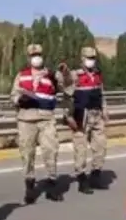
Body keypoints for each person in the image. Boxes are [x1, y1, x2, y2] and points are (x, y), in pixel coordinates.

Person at [11, 44, 62, 204]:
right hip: (26, 119)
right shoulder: (22, 75)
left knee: (51, 150)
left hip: (46, 119)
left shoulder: (51, 75)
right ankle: (30, 186)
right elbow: (13, 95)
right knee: (27, 153)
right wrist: (20, 100)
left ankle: (52, 185)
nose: (36, 58)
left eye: (38, 54)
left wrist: (63, 74)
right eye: (33, 55)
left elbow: (66, 87)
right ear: (28, 58)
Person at [59, 46, 109, 194]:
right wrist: (68, 116)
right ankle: (82, 179)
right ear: (82, 59)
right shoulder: (75, 75)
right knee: (80, 149)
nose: (91, 61)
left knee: (100, 146)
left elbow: (101, 93)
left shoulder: (97, 74)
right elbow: (66, 93)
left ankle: (96, 175)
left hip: (96, 115)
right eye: (88, 58)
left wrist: (105, 109)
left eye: (93, 58)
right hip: (81, 116)